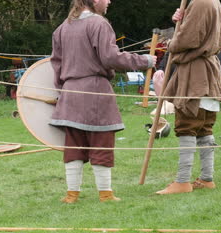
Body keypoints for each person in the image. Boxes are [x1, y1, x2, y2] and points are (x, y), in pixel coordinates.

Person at [50, 0, 156, 203]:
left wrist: (62, 92)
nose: (109, 1)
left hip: (70, 93)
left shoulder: (62, 28)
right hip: (95, 91)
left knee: (75, 144)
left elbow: (57, 65)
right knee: (101, 142)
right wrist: (144, 61)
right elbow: (110, 58)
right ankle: (105, 194)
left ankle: (72, 195)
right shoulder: (98, 23)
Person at [156, 0, 221, 194]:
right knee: (203, 127)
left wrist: (170, 43)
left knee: (188, 124)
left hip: (197, 73)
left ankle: (182, 182)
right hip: (206, 70)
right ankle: (206, 178)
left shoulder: (202, 2)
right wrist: (183, 20)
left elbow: (189, 39)